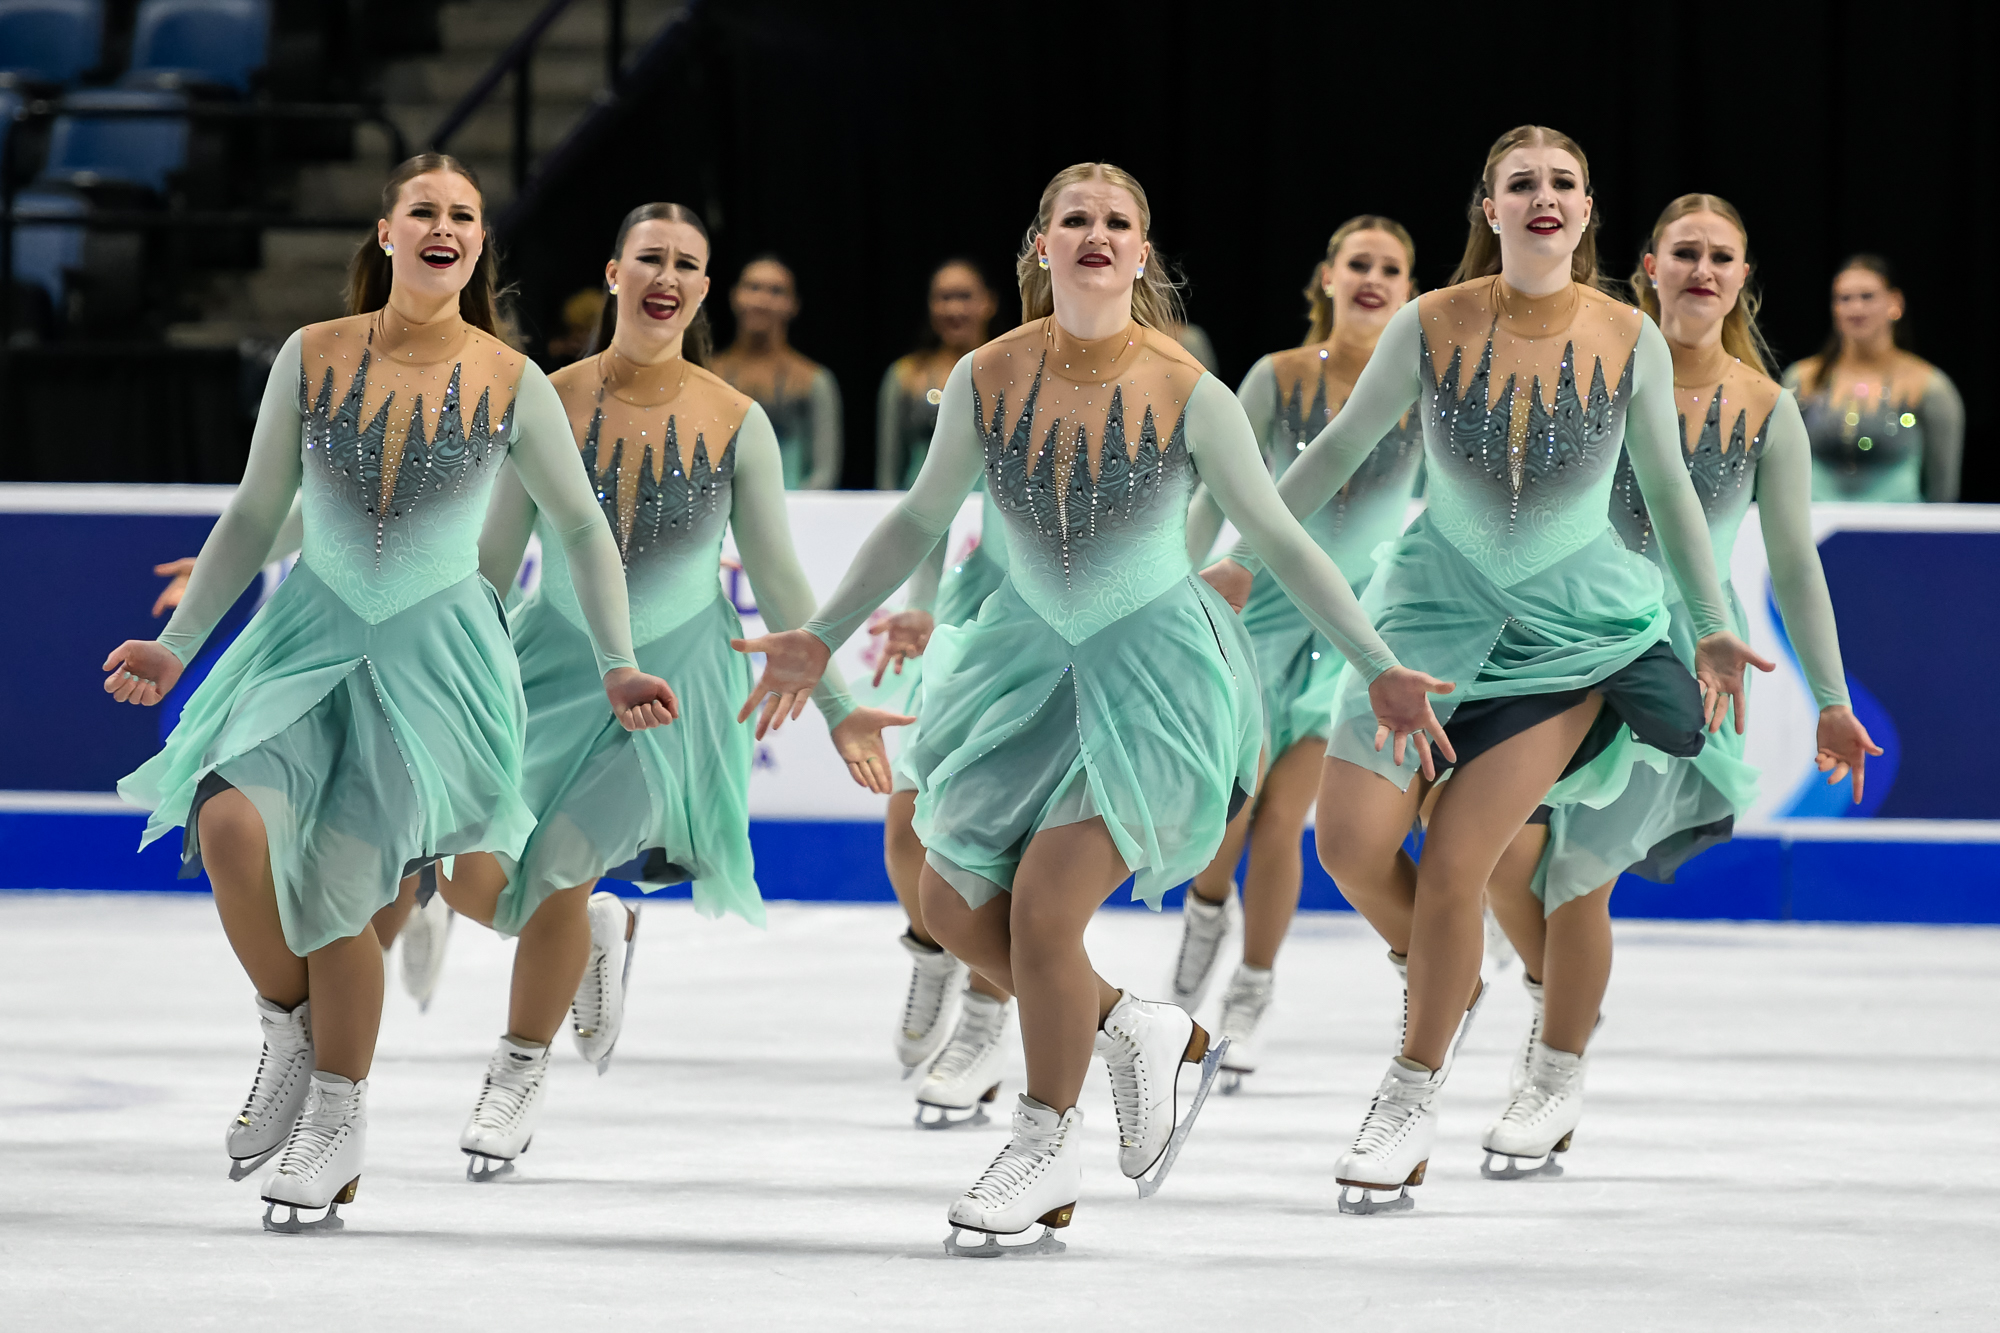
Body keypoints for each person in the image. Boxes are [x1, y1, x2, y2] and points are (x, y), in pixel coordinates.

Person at [731, 161, 1445, 1255]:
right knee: (949, 899)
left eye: (1117, 220)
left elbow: (1280, 537)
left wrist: (1376, 660)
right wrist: (822, 632)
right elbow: (919, 518)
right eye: (1076, 218)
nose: (1096, 232)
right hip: (1020, 671)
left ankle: (1043, 1146)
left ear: (1141, 251)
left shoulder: (1189, 389)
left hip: (1156, 683)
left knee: (1041, 911)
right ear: (1043, 245)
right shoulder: (985, 374)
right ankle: (1131, 1024)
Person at [101, 153, 675, 1232]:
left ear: (477, 243)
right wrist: (178, 645)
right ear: (387, 231)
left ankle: (338, 1119)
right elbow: (259, 507)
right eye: (424, 209)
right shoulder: (311, 353)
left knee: (346, 892)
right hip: (305, 638)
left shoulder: (511, 379)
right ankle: (290, 1027)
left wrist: (615, 659)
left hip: (434, 660)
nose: (443, 224)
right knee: (228, 820)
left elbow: (582, 527)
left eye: (463, 213)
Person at [1219, 126, 1767, 1215]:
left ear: (1587, 209)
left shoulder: (1628, 336)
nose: (1544, 195)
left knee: (1460, 860)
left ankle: (1408, 1094)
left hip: (1569, 639)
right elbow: (1335, 448)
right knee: (1348, 845)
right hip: (1424, 620)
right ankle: (1452, 978)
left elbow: (1667, 490)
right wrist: (1244, 558)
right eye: (1523, 182)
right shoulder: (1429, 323)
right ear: (1491, 206)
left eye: (1563, 181)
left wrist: (1707, 622)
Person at [434, 202, 910, 1179]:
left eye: (687, 263)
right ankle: (591, 933)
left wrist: (836, 701)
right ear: (614, 274)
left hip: (675, 687)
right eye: (649, 257)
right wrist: (437, 669)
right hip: (548, 668)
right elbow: (492, 562)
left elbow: (780, 579)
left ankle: (516, 1071)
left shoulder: (737, 421)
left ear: (702, 290)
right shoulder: (544, 399)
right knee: (466, 874)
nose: (667, 275)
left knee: (560, 864)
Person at [1476, 194, 1880, 1179]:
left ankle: (1553, 1075)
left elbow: (1795, 564)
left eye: (1721, 256)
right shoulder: (1593, 366)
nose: (1702, 269)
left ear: (1741, 278)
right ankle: (1562, 1002)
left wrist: (1831, 698)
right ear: (1648, 266)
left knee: (1579, 875)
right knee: (1494, 856)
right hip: (1561, 642)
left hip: (1687, 663)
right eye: (1684, 252)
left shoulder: (1764, 408)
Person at [1169, 216, 1424, 1094]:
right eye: (1360, 263)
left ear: (1410, 291)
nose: (1374, 278)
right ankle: (1206, 911)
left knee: (1284, 818)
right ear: (1327, 276)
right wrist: (1180, 583)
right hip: (1260, 611)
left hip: (1354, 627)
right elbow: (1211, 485)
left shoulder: (1422, 391)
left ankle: (1251, 991)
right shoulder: (1276, 377)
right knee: (1232, 807)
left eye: (1391, 268)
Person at [1781, 255, 1963, 502]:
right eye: (1845, 299)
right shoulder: (1802, 379)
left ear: (1895, 302)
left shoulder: (1929, 387)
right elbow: (1779, 473)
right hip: (1816, 523)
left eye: (1867, 297)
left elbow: (1942, 493)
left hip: (1899, 524)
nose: (1856, 308)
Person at [710, 256, 842, 489]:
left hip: (796, 505)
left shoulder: (814, 381)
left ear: (793, 304)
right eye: (753, 288)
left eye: (776, 291)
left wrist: (796, 505)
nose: (762, 300)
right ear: (734, 296)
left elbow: (824, 472)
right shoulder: (709, 374)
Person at [876, 259, 1000, 490]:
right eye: (944, 298)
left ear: (989, 302)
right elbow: (887, 475)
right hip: (920, 505)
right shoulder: (904, 377)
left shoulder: (1015, 374)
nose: (953, 309)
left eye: (964, 297)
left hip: (992, 506)